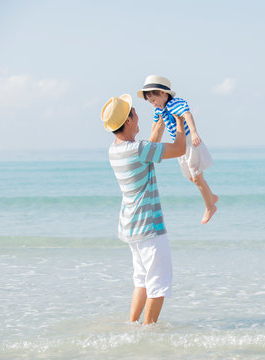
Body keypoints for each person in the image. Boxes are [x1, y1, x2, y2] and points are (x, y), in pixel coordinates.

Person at [101, 94, 186, 325]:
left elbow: (149, 148)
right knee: (158, 284)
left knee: (142, 280)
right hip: (149, 228)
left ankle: (132, 326)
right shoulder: (139, 149)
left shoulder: (115, 150)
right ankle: (149, 335)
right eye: (135, 111)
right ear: (128, 121)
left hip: (131, 227)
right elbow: (179, 148)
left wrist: (158, 123)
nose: (138, 114)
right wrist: (180, 121)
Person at [137, 75, 218, 224]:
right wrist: (150, 145)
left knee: (197, 177)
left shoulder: (175, 103)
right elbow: (156, 126)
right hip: (178, 143)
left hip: (189, 140)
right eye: (150, 102)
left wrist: (194, 132)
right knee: (190, 176)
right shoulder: (159, 110)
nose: (153, 104)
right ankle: (210, 196)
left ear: (163, 93)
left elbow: (187, 115)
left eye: (154, 100)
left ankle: (210, 207)